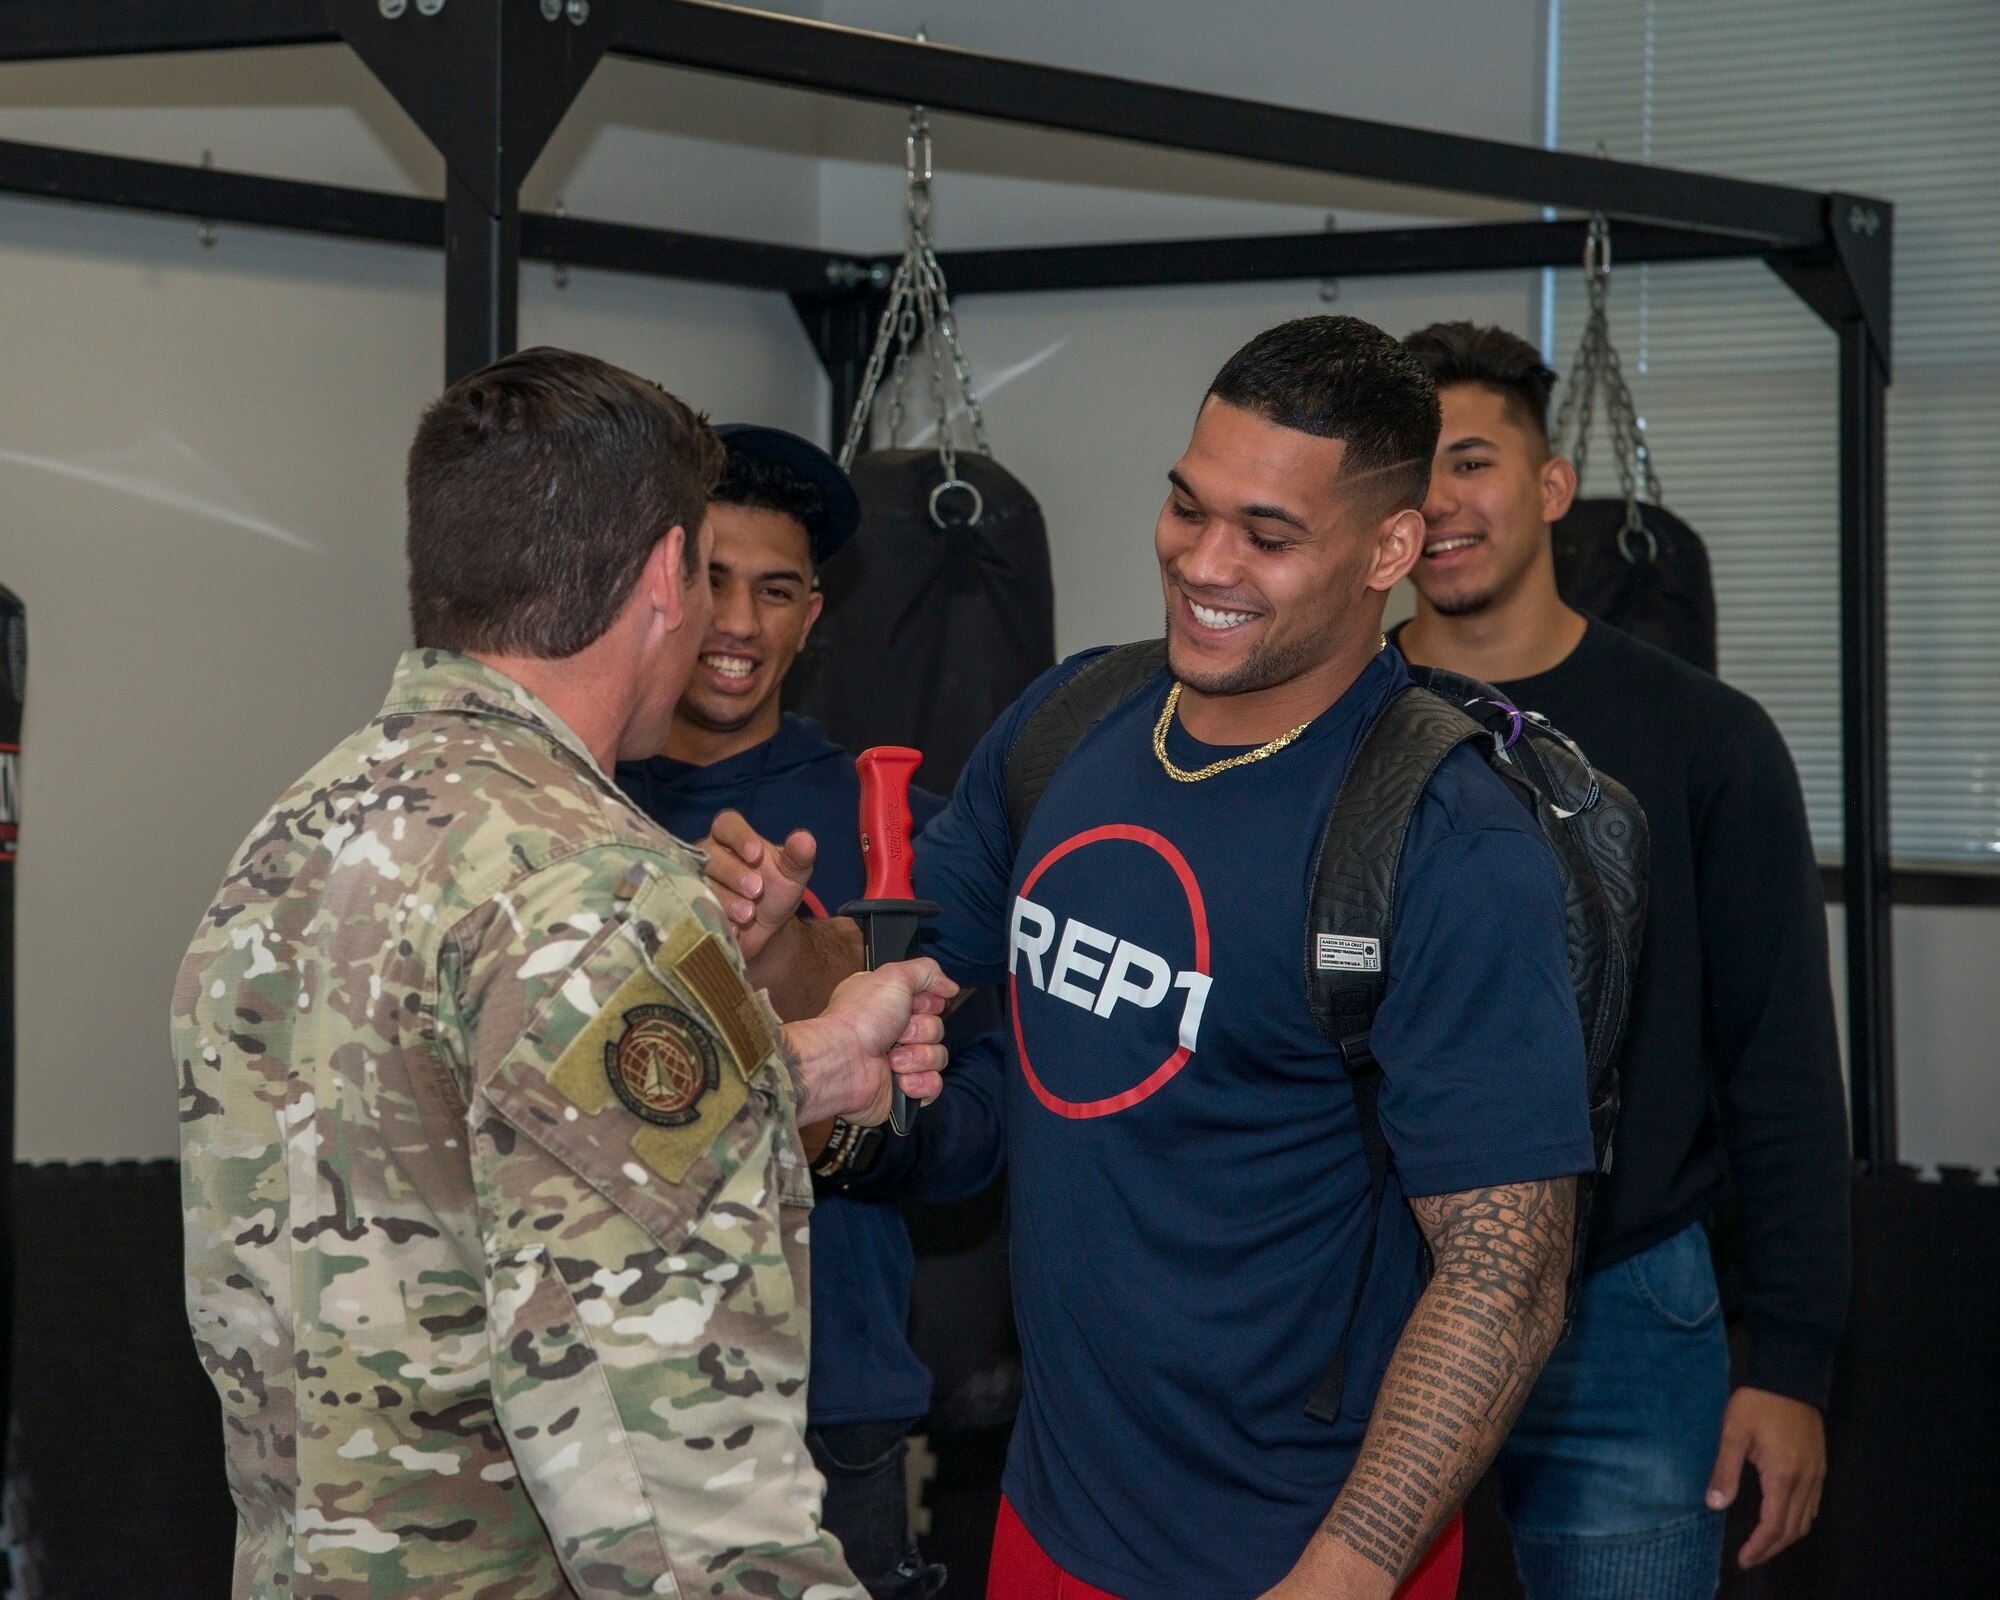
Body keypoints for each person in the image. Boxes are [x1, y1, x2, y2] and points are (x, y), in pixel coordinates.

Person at [703, 317, 1596, 1600]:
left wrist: (1340, 1574)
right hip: (1049, 1516)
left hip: (1299, 1548)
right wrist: (782, 946)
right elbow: (902, 989)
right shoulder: (1072, 722)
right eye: (1187, 506)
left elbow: (1504, 1275)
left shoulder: (1444, 841)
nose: (1203, 560)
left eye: (1266, 534)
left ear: (1389, 549)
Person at [171, 348, 958, 1600]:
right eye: (703, 572)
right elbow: (681, 1489)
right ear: (662, 574)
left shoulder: (302, 831)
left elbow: (459, 1135)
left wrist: (799, 1064)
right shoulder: (600, 890)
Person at [1395, 321, 1851, 1599]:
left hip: (1625, 1302)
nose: (1438, 503)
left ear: (1548, 490)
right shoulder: (1333, 726)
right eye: (1409, 471)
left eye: (1470, 462)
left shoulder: (1703, 737)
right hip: (1371, 1290)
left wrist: (1793, 1363)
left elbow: (1780, 1065)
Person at [616, 424, 1006, 1600]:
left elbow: (972, 1136)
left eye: (774, 589)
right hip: (594, 1387)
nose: (736, 622)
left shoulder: (898, 824)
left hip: (825, 1391)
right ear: (657, 589)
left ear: (812, 618)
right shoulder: (571, 808)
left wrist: (863, 1080)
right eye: (711, 580)